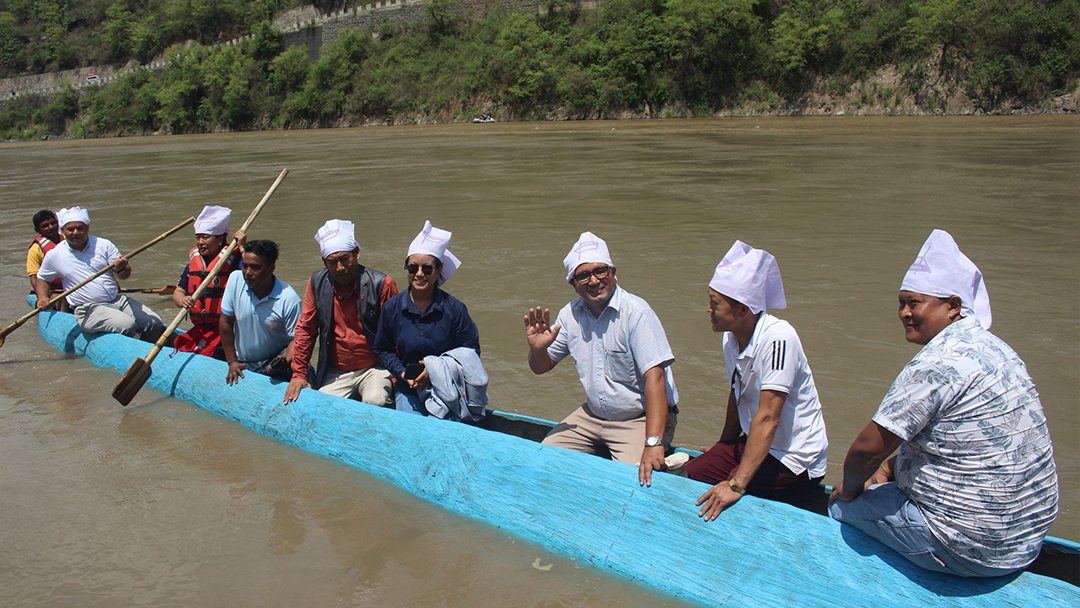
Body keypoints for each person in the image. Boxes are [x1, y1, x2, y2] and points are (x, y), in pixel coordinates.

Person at [829, 229, 1059, 578]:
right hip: (1028, 539)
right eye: (901, 302)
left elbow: (865, 451)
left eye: (914, 303)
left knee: (839, 508)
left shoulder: (935, 364)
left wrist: (848, 490)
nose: (905, 313)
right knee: (884, 481)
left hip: (974, 550)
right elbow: (960, 436)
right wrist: (891, 470)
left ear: (953, 307)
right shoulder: (998, 349)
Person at [687, 241, 828, 520]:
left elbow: (768, 418)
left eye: (715, 303)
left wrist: (736, 484)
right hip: (753, 440)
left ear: (743, 311)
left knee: (720, 493)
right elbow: (737, 392)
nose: (708, 309)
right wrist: (723, 445)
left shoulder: (779, 338)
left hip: (792, 459)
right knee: (690, 474)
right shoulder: (731, 337)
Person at [524, 231, 678, 487]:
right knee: (543, 461)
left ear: (613, 271)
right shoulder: (570, 315)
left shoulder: (636, 313)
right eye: (583, 275)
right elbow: (540, 368)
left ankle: (671, 467)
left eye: (600, 271)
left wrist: (653, 443)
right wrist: (538, 349)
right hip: (592, 417)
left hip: (638, 419)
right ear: (573, 283)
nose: (594, 280)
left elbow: (656, 378)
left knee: (634, 484)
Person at [373, 221, 483, 419]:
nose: (419, 274)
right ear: (406, 269)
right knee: (410, 427)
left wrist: (435, 370)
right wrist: (402, 373)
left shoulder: (455, 309)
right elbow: (382, 348)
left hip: (450, 386)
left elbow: (471, 351)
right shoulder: (393, 308)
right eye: (413, 268)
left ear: (439, 269)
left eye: (427, 269)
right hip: (409, 386)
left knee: (443, 430)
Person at [283, 220, 398, 405]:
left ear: (357, 253)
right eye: (332, 262)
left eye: (345, 259)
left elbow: (396, 334)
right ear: (324, 262)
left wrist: (397, 375)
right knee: (318, 407)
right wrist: (299, 374)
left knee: (376, 400)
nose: (340, 267)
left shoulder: (382, 284)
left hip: (373, 367)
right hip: (336, 370)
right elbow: (306, 330)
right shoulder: (316, 284)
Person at [34, 206, 165, 342]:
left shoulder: (104, 244)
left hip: (117, 300)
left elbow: (124, 275)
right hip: (87, 308)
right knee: (126, 325)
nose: (76, 233)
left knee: (154, 323)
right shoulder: (55, 255)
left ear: (87, 228)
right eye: (70, 229)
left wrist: (121, 268)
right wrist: (43, 297)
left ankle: (146, 351)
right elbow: (42, 278)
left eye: (80, 228)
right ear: (63, 231)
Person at [219, 240, 302, 384]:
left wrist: (286, 359)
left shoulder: (289, 298)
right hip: (246, 361)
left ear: (271, 268)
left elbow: (298, 339)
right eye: (245, 266)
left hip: (277, 360)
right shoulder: (235, 280)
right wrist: (232, 362)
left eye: (255, 268)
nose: (248, 273)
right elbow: (225, 322)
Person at [172, 205, 244, 358]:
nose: (200, 242)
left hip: (228, 329)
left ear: (219, 239)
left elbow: (255, 278)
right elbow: (179, 291)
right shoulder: (195, 261)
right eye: (198, 237)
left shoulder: (234, 259)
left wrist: (243, 247)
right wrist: (182, 300)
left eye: (205, 237)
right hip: (202, 329)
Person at [26, 209, 69, 312]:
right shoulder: (35, 249)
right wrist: (42, 297)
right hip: (52, 290)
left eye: (53, 223)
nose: (51, 227)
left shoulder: (68, 240)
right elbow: (34, 278)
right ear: (38, 230)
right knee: (61, 299)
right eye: (45, 226)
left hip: (72, 284)